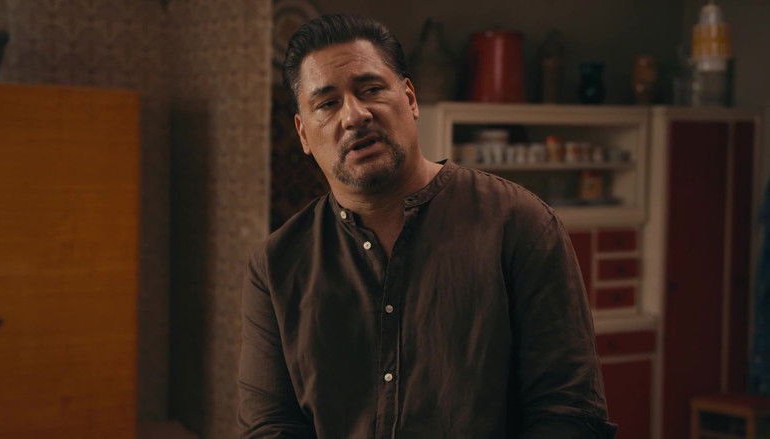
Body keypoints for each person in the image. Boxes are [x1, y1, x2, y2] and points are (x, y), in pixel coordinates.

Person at [238, 14, 616, 439]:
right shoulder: (276, 264)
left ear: (411, 98)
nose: (355, 115)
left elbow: (570, 413)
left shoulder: (519, 224)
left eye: (371, 89)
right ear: (304, 134)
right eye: (327, 103)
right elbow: (270, 426)